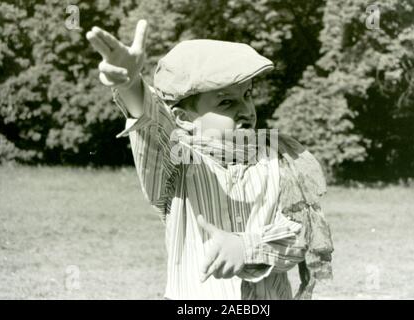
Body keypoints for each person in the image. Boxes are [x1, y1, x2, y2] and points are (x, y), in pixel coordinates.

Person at [86, 19, 333, 300]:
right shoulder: (177, 162)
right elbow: (152, 122)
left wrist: (247, 247)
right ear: (184, 118)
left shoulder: (278, 160)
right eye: (226, 102)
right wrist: (131, 84)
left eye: (247, 95)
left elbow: (301, 235)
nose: (246, 111)